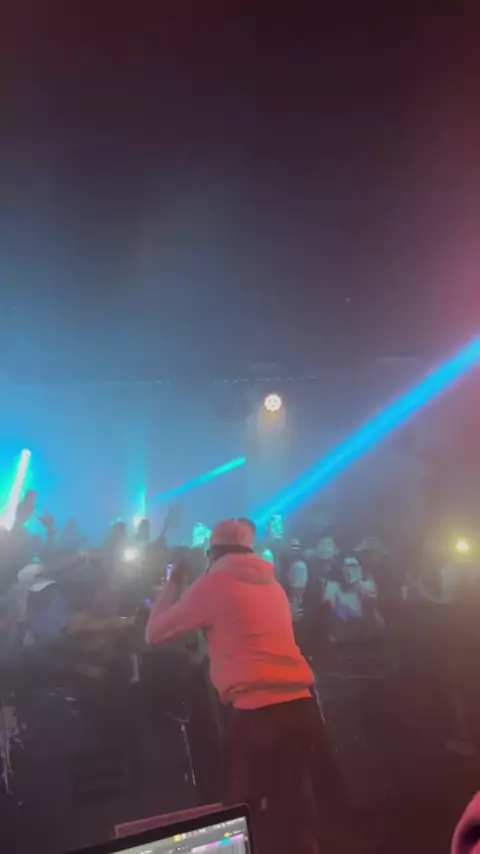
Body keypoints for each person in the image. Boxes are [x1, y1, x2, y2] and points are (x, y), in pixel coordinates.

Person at [146, 518, 330, 854]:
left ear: (213, 553)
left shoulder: (212, 584)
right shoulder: (273, 586)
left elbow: (155, 633)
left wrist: (172, 586)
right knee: (294, 804)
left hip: (256, 712)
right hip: (302, 706)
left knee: (239, 808)